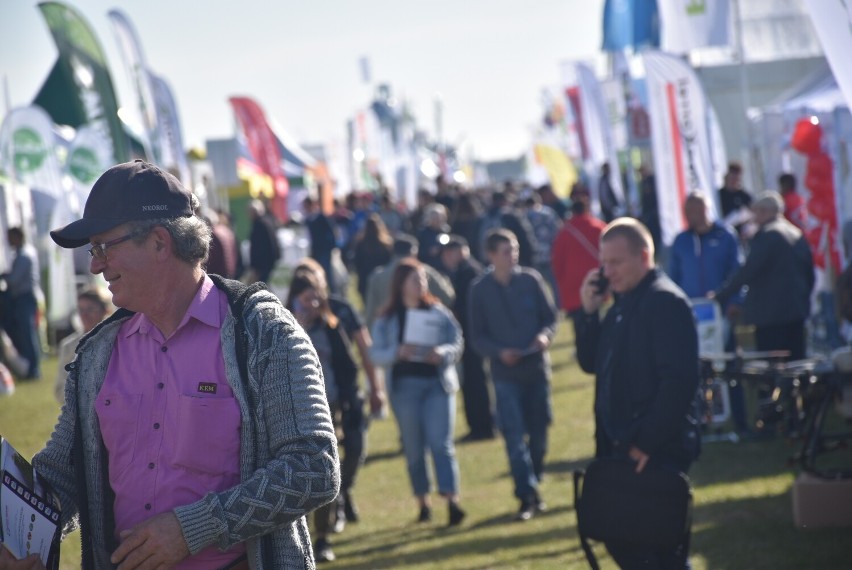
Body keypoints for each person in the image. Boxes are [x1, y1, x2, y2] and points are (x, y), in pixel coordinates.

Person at [7, 160, 339, 569]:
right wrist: (22, 537)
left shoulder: (263, 333)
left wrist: (195, 527)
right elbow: (62, 475)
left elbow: (314, 467)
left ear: (160, 243)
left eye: (103, 248)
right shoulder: (97, 353)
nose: (94, 266)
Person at [575, 217, 701, 569]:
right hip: (624, 445)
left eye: (616, 262)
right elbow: (591, 361)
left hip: (653, 448)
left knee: (651, 548)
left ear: (644, 256)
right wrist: (588, 313)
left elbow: (679, 381)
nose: (608, 271)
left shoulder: (663, 301)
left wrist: (646, 442)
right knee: (629, 542)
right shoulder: (625, 300)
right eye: (604, 263)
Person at [370, 258, 467, 527]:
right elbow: (374, 353)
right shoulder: (387, 319)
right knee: (414, 449)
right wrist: (396, 352)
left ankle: (452, 502)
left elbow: (457, 341)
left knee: (441, 443)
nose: (422, 284)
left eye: (423, 279)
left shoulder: (438, 312)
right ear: (401, 284)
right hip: (405, 390)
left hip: (437, 385)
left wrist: (444, 353)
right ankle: (423, 503)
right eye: (416, 279)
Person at [468, 229, 557, 521]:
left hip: (536, 369)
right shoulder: (479, 290)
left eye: (515, 249)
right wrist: (498, 352)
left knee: (540, 432)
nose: (513, 255)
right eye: (507, 251)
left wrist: (545, 336)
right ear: (491, 255)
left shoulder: (531, 280)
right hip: (505, 374)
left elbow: (550, 318)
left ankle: (534, 480)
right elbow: (477, 336)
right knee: (514, 437)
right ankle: (527, 494)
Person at [285, 272, 365, 563]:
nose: (313, 303)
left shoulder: (332, 327)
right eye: (307, 299)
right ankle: (298, 538)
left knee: (325, 470)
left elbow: (348, 366)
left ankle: (323, 537)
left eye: (317, 297)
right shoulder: (281, 328)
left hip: (328, 409)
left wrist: (349, 400)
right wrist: (298, 326)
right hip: (292, 412)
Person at [668, 193, 750, 434]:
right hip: (692, 318)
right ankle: (701, 421)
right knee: (696, 371)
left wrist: (735, 301)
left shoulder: (725, 236)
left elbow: (737, 272)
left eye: (696, 210)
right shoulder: (681, 241)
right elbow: (674, 279)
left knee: (729, 367)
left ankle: (740, 421)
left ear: (706, 209)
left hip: (722, 314)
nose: (692, 216)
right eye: (687, 212)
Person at [714, 191, 815, 362]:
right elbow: (809, 274)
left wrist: (720, 295)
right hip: (796, 313)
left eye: (756, 212)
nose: (754, 218)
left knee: (772, 373)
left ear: (765, 211)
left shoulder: (768, 235)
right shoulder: (796, 233)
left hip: (771, 318)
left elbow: (748, 271)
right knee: (797, 367)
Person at [438, 236, 495, 441]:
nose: (445, 257)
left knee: (475, 382)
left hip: (471, 336)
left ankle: (482, 427)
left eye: (448, 252)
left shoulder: (467, 272)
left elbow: (466, 307)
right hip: (472, 335)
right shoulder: (466, 271)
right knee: (474, 381)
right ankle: (481, 425)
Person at [363, 235, 454, 330]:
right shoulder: (424, 272)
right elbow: (448, 298)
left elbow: (371, 312)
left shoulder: (377, 276)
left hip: (388, 331)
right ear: (414, 252)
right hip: (423, 331)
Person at [551, 184, 607, 320]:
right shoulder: (599, 227)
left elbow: (557, 262)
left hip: (573, 286)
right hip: (597, 279)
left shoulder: (564, 233)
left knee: (580, 326)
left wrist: (560, 281)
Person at [54, 287, 114, 402]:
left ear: (106, 310)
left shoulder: (119, 341)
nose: (84, 315)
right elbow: (60, 390)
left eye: (90, 309)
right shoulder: (68, 346)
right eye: (81, 310)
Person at [0, 227, 42, 380]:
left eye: (10, 237)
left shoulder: (24, 255)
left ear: (18, 236)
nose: (8, 240)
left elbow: (14, 280)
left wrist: (4, 276)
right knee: (26, 334)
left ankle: (33, 370)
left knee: (27, 334)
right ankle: (31, 369)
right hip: (24, 298)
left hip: (25, 298)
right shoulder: (24, 252)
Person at [351, 213, 393, 304]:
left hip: (364, 280)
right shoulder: (385, 245)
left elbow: (356, 263)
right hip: (381, 281)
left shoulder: (360, 244)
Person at [247, 199, 281, 283]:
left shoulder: (261, 224)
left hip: (263, 265)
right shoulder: (265, 222)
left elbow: (269, 243)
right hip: (265, 263)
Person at [718, 162, 752, 236]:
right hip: (721, 232)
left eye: (736, 178)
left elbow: (753, 213)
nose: (734, 181)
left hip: (739, 234)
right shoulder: (719, 194)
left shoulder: (744, 196)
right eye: (732, 177)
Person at [205, 210, 238, 279]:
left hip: (219, 274)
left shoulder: (213, 234)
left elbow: (212, 258)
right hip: (231, 271)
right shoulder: (226, 230)